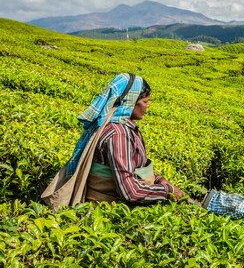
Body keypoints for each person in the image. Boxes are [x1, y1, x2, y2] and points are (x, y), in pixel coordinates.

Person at [66, 73, 184, 204]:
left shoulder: (125, 128)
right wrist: (167, 191)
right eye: (145, 101)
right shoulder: (118, 134)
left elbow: (137, 169)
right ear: (130, 101)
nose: (148, 105)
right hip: (106, 208)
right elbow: (131, 192)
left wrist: (160, 180)